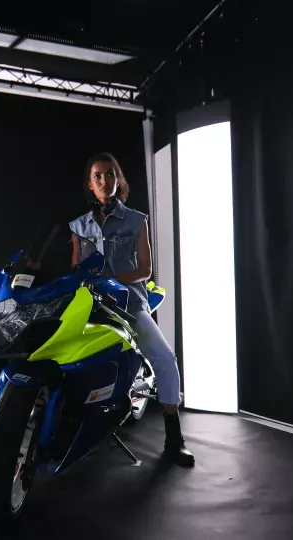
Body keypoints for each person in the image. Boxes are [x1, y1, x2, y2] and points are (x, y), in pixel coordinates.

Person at [69, 152, 195, 467]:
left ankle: (174, 439)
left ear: (119, 180)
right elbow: (75, 269)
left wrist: (110, 280)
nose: (104, 180)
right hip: (88, 306)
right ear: (90, 183)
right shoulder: (79, 226)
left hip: (129, 303)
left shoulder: (137, 220)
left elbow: (145, 270)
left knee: (165, 359)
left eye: (110, 174)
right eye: (97, 175)